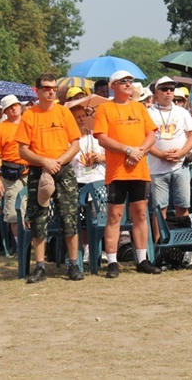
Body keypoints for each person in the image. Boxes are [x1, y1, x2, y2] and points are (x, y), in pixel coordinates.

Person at [15, 73, 83, 283]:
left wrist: (58, 162)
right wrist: (45, 161)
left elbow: (75, 144)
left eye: (53, 88)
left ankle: (73, 264)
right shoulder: (30, 115)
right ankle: (40, 267)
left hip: (63, 170)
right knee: (38, 219)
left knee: (69, 217)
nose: (51, 91)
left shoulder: (64, 112)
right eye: (46, 88)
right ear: (37, 90)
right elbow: (22, 150)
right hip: (39, 171)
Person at [94, 70, 160, 278]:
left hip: (139, 169)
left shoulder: (139, 107)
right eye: (124, 81)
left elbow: (152, 134)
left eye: (131, 81)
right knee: (114, 215)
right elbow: (102, 138)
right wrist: (127, 150)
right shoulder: (105, 108)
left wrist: (139, 150)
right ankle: (112, 261)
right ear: (113, 85)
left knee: (140, 213)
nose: (128, 84)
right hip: (118, 171)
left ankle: (142, 259)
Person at [147, 77, 192, 219]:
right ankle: (159, 241)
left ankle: (184, 239)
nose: (168, 92)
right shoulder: (148, 113)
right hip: (158, 168)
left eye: (171, 89)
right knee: (159, 209)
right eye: (164, 89)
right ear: (156, 93)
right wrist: (161, 154)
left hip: (180, 166)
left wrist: (182, 152)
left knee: (183, 206)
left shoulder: (181, 112)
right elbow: (142, 140)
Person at [67, 101, 106, 263]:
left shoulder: (96, 137)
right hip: (79, 181)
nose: (82, 120)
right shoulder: (69, 140)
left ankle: (99, 248)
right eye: (78, 117)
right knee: (81, 220)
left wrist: (101, 158)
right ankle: (84, 249)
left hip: (98, 182)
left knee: (100, 217)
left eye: (83, 116)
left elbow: (109, 155)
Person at [0, 95, 29, 249]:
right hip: (11, 173)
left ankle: (33, 242)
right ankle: (20, 245)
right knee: (13, 211)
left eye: (16, 105)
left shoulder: (29, 124)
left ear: (20, 106)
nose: (14, 108)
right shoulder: (1, 128)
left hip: (31, 170)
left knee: (32, 208)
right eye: (9, 107)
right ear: (5, 111)